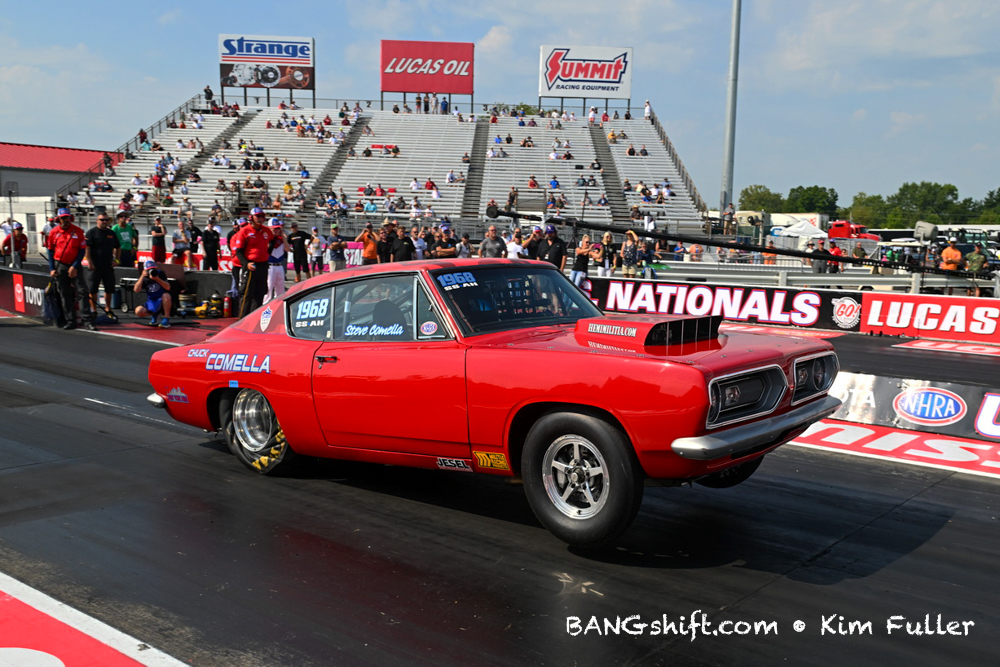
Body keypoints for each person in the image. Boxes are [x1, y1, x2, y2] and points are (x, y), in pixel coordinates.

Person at [46, 209, 91, 330]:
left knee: (82, 291)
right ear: (58, 219)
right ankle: (70, 320)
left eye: (67, 218)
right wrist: (51, 268)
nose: (65, 220)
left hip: (75, 265)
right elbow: (50, 251)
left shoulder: (78, 231)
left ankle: (87, 320)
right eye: (63, 218)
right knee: (64, 293)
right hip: (60, 265)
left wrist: (75, 266)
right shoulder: (54, 232)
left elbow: (82, 250)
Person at [231, 208, 275, 317]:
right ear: (251, 217)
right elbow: (239, 251)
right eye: (258, 216)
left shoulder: (266, 230)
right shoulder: (245, 231)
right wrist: (246, 264)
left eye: (262, 216)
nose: (261, 218)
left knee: (260, 294)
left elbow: (272, 239)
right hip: (251, 266)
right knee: (247, 294)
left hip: (263, 266)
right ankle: (242, 320)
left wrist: (267, 253)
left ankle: (254, 319)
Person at [84, 212, 120, 322]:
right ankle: (94, 310)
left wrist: (117, 260)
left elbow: (118, 247)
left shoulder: (111, 233)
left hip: (108, 265)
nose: (104, 222)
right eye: (102, 220)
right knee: (93, 289)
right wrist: (89, 262)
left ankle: (108, 308)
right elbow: (87, 248)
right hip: (95, 266)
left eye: (106, 220)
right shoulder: (91, 233)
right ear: (97, 220)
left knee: (109, 288)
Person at [134, 260, 172, 327]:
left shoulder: (160, 273)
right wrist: (142, 276)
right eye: (150, 270)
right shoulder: (145, 278)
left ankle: (166, 319)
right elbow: (136, 290)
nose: (152, 271)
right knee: (138, 311)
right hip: (152, 300)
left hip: (162, 299)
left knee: (166, 295)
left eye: (153, 269)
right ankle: (155, 314)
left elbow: (168, 287)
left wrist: (157, 279)